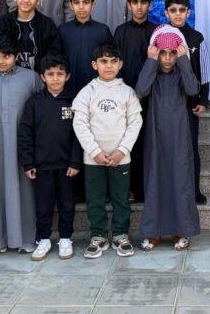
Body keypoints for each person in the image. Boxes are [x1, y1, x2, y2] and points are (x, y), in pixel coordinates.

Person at [72, 43, 143, 259]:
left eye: (113, 61)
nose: (109, 66)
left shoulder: (127, 92)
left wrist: (122, 150)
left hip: (121, 158)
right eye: (104, 61)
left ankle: (121, 234)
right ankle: (99, 236)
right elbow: (79, 123)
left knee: (121, 199)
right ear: (95, 65)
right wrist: (95, 151)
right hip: (94, 159)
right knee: (95, 200)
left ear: (120, 64)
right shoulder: (87, 92)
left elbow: (135, 123)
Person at [0, 35, 44, 253]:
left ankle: (27, 239)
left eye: (6, 56)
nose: (1, 61)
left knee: (25, 190)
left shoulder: (31, 78)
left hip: (24, 146)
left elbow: (43, 108)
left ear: (16, 56)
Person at [135, 25, 200, 251]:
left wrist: (184, 61)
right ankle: (153, 232)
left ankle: (180, 230)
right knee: (155, 180)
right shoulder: (153, 73)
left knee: (179, 181)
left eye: (172, 53)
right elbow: (140, 90)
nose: (168, 58)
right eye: (163, 53)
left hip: (179, 137)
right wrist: (150, 62)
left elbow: (192, 90)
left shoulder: (181, 73)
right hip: (155, 137)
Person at [18, 55, 83, 261]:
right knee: (43, 205)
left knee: (67, 204)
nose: (55, 78)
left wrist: (75, 161)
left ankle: (65, 238)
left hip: (67, 166)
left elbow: (79, 135)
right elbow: (25, 134)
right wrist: (28, 162)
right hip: (42, 166)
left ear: (67, 76)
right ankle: (43, 238)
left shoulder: (75, 101)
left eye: (60, 74)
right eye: (50, 74)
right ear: (42, 76)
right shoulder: (34, 103)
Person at [164, 0, 209, 204]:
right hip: (167, 103)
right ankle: (170, 191)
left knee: (190, 149)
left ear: (188, 12)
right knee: (168, 149)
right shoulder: (160, 36)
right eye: (173, 10)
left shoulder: (197, 38)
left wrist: (202, 100)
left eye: (182, 10)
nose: (178, 14)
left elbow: (205, 71)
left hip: (190, 104)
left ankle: (194, 190)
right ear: (166, 13)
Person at [113, 0, 157, 202]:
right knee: (128, 143)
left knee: (148, 144)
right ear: (129, 5)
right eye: (135, 2)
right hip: (126, 98)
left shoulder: (157, 31)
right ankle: (128, 190)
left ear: (150, 5)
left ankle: (148, 189)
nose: (139, 7)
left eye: (143, 3)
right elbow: (115, 65)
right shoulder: (120, 31)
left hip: (151, 98)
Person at [0, 0, 62, 73]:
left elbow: (54, 54)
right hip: (10, 76)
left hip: (39, 77)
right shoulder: (4, 22)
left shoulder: (47, 24)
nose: (26, 0)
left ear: (38, 0)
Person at [59, 0, 113, 94]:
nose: (81, 7)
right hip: (69, 90)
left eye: (86, 2)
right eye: (76, 2)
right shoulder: (63, 30)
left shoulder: (103, 30)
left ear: (93, 5)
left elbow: (111, 61)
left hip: (98, 90)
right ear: (71, 5)